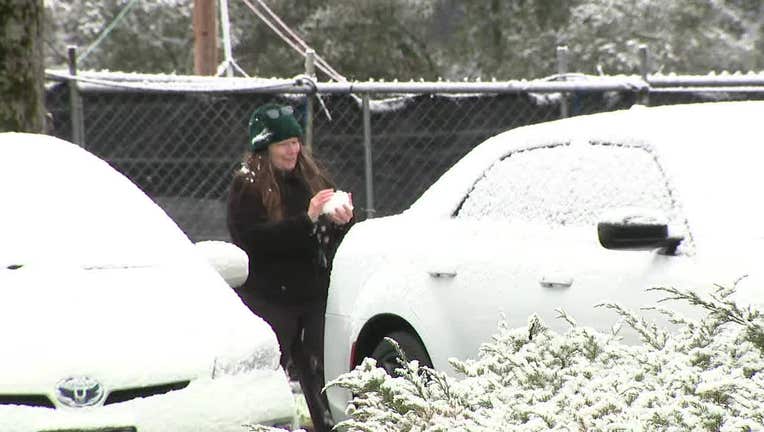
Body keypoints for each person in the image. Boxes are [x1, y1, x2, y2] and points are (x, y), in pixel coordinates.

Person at [227, 102, 353, 432]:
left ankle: (332, 426)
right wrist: (307, 219)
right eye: (284, 144)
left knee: (324, 375)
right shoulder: (247, 185)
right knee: (265, 379)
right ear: (264, 147)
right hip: (269, 298)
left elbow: (326, 239)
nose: (293, 149)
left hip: (312, 295)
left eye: (296, 141)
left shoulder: (312, 178)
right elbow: (253, 240)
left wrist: (340, 221)